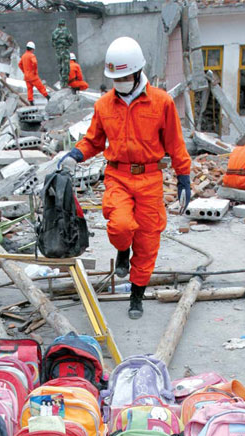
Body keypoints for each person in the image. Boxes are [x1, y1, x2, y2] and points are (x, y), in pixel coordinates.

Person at [58, 36, 191, 319]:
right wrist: (74, 155)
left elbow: (175, 143)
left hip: (150, 178)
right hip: (118, 175)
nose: (118, 82)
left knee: (147, 240)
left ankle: (136, 294)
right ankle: (121, 251)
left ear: (136, 71)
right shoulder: (104, 105)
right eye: (114, 78)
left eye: (122, 76)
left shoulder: (161, 102)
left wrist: (184, 177)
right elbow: (93, 141)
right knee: (119, 225)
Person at [52, 18, 74, 88]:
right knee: (66, 67)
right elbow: (71, 39)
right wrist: (68, 45)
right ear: (64, 24)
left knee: (60, 67)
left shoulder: (55, 31)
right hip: (64, 50)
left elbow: (53, 43)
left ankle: (61, 83)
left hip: (58, 51)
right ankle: (65, 84)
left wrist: (57, 47)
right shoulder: (66, 30)